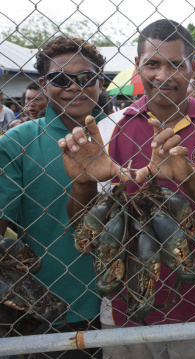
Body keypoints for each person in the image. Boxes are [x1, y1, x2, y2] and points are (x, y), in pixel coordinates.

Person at [59, 19, 195, 359]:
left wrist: (187, 176)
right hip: (123, 312)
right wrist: (83, 183)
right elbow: (82, 229)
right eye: (152, 63)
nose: (163, 75)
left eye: (176, 64)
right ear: (138, 67)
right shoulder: (110, 128)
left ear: (193, 67)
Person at [0, 35, 105, 358]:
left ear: (100, 83)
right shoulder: (19, 142)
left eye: (85, 78)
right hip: (47, 305)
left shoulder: (121, 131)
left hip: (125, 304)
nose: (74, 87)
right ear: (44, 84)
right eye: (61, 79)